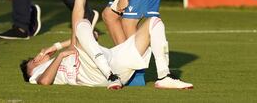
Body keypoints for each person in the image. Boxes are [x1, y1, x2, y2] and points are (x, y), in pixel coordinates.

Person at [20, 18, 193, 89]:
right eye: (33, 60)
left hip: (112, 59)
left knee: (154, 22)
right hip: (91, 72)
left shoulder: (55, 56)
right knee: (81, 23)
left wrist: (56, 46)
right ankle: (110, 76)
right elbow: (44, 82)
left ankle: (164, 77)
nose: (36, 57)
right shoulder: (36, 73)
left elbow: (93, 36)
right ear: (33, 65)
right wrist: (59, 56)